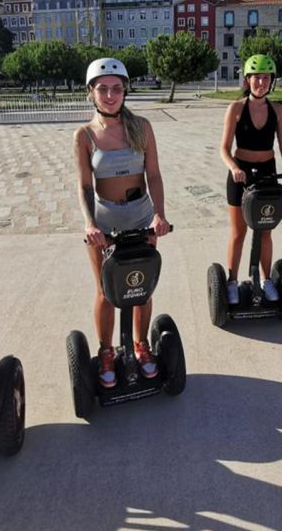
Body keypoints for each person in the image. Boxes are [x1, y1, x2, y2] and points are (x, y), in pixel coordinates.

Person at [74, 58, 170, 388]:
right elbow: (85, 186)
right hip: (105, 223)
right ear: (91, 93)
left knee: (140, 286)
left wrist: (159, 215)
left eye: (116, 88)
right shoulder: (84, 135)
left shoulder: (142, 127)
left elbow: (154, 175)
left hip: (141, 216)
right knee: (105, 291)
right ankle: (104, 351)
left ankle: (141, 346)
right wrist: (90, 224)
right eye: (103, 89)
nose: (110, 95)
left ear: (125, 90)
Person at [220, 54, 282, 304]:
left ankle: (266, 280)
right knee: (238, 232)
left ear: (271, 81)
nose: (261, 83)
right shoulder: (236, 108)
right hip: (240, 172)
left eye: (266, 78)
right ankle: (231, 282)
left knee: (265, 231)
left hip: (267, 172)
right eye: (256, 78)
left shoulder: (277, 110)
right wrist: (233, 167)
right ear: (247, 80)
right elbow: (224, 148)